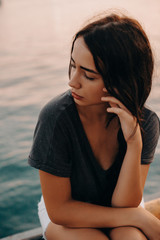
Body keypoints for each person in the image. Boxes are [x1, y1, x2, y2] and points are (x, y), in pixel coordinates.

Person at [28, 12, 160, 240]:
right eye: (73, 66)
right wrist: (139, 218)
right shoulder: (56, 118)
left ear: (122, 80)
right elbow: (60, 209)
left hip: (123, 210)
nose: (72, 81)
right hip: (67, 214)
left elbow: (124, 205)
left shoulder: (146, 122)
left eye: (88, 75)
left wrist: (133, 144)